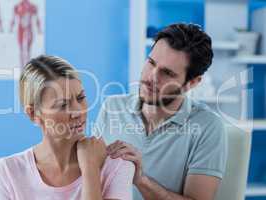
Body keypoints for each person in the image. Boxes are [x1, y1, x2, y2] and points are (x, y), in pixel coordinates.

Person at [94, 23, 228, 200]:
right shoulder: (112, 107)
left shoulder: (208, 127)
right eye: (151, 62)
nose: (151, 78)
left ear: (192, 82)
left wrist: (141, 180)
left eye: (167, 73)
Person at [0, 55, 134, 200]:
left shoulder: (116, 166)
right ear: (33, 114)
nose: (78, 112)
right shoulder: (8, 172)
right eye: (63, 105)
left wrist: (90, 169)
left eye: (80, 98)